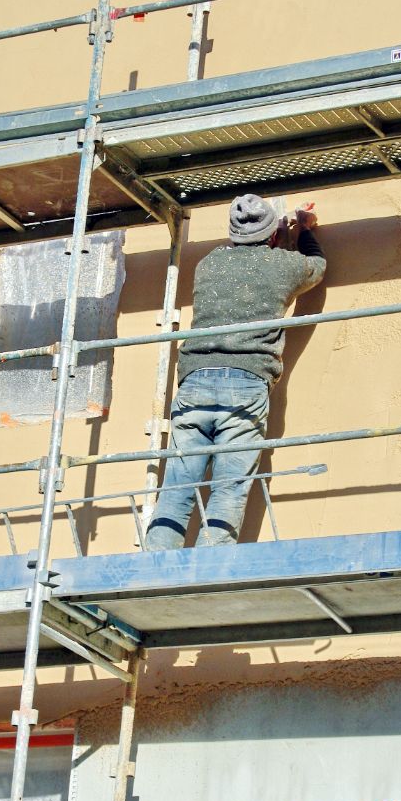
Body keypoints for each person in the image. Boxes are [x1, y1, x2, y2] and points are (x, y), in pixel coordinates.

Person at [145, 193, 326, 550]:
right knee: (229, 488)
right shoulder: (283, 265)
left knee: (178, 487)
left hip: (194, 381)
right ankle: (209, 572)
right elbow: (315, 267)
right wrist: (303, 231)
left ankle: (153, 569)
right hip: (245, 384)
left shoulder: (209, 264)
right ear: (272, 234)